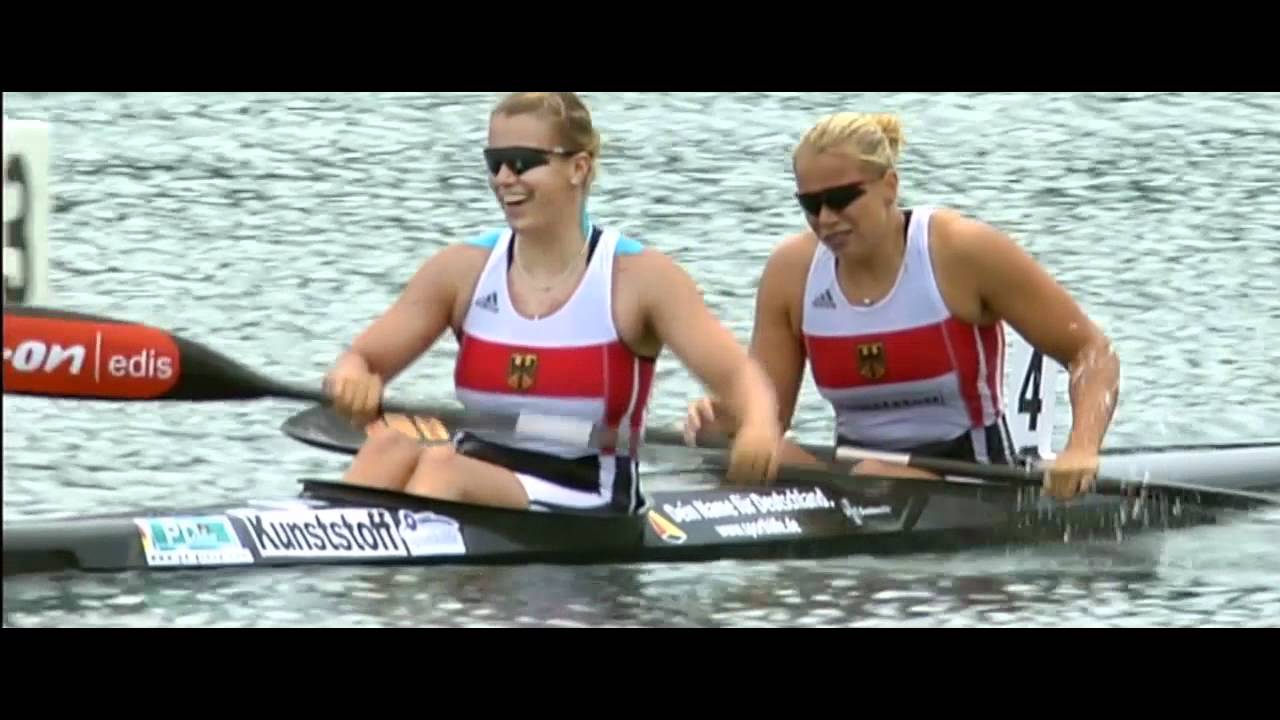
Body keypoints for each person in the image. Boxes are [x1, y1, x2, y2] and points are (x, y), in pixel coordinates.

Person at [323, 91, 783, 513]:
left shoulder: (640, 278)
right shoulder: (460, 270)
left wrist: (760, 425)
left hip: (585, 493)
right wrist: (352, 377)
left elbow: (741, 378)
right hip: (475, 475)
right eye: (495, 161)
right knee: (389, 447)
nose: (504, 178)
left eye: (523, 162)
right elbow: (362, 358)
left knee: (441, 468)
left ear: (578, 168)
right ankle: (341, 564)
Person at [683, 111, 1120, 501]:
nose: (826, 219)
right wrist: (727, 423)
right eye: (811, 205)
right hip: (854, 473)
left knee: (873, 474)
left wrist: (1081, 446)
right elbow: (769, 415)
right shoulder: (790, 272)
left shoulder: (961, 251)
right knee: (749, 448)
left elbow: (1092, 353)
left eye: (841, 199)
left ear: (889, 186)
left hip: (973, 477)